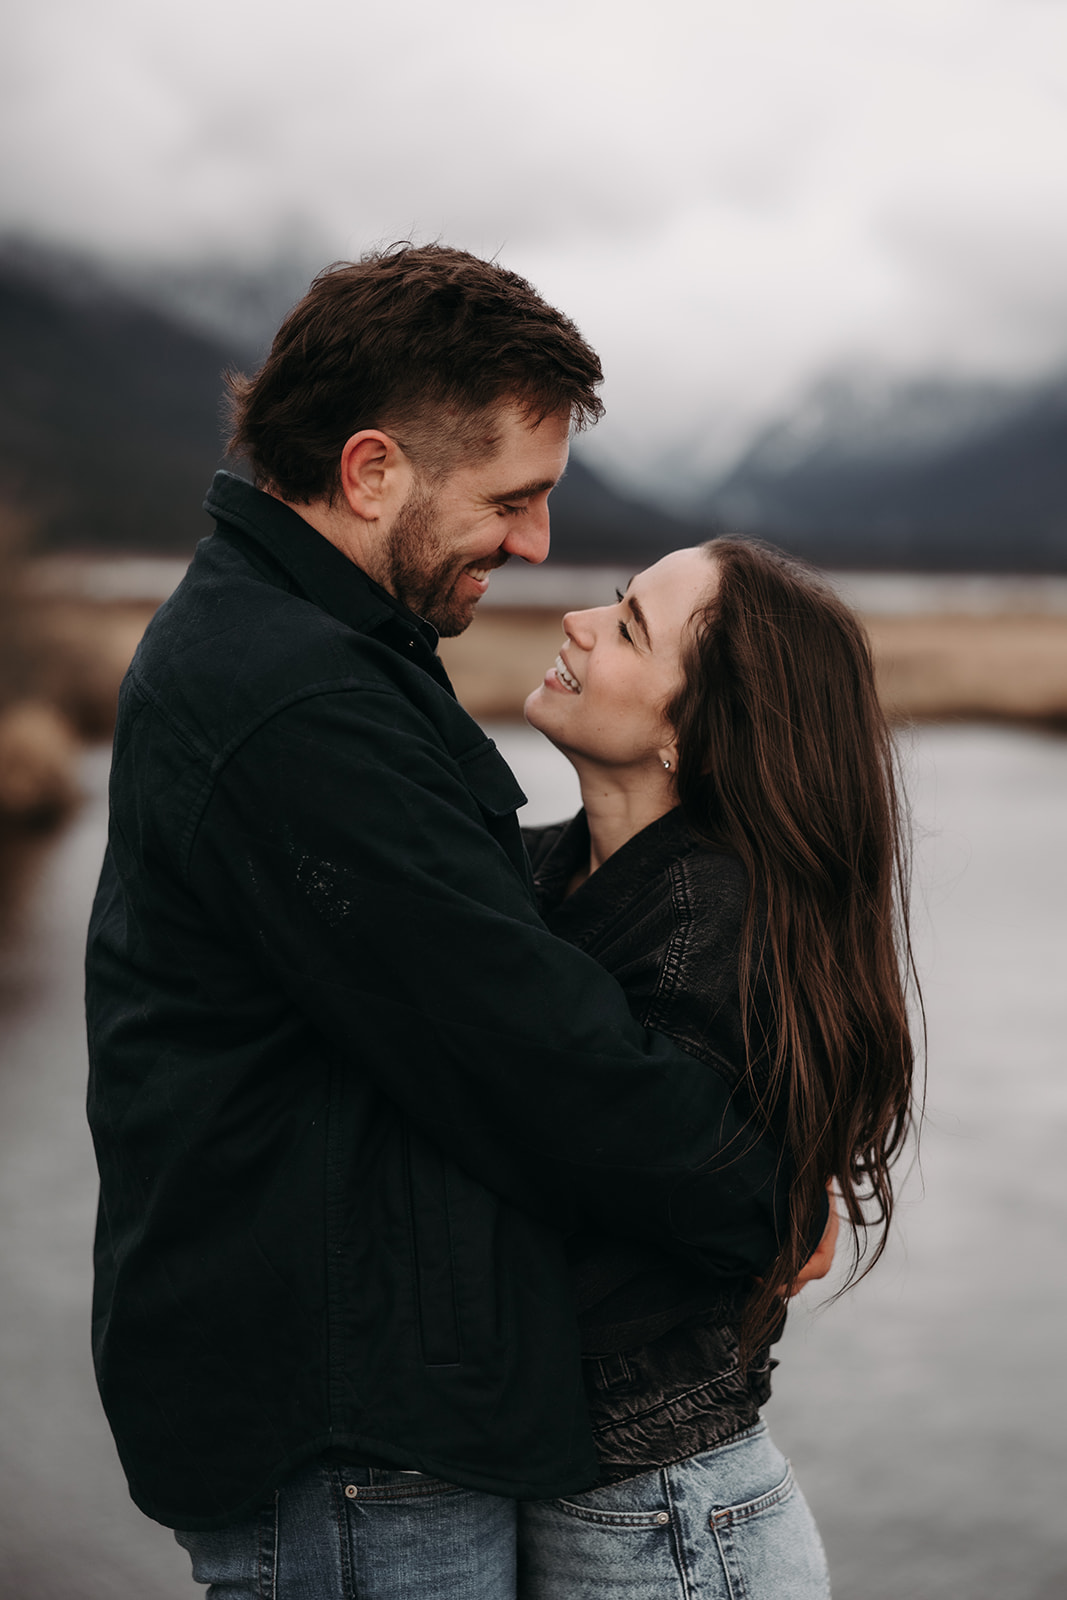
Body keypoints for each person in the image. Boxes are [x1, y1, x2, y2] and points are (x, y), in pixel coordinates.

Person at [84, 246, 825, 1599]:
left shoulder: (315, 655)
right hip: (348, 1422)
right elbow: (517, 1044)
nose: (537, 547)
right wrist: (767, 1200)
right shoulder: (293, 700)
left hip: (362, 1405)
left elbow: (451, 937)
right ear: (373, 473)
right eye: (512, 499)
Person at [516, 537, 918, 1597]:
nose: (578, 621)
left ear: (689, 744)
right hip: (619, 1513)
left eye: (628, 627)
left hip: (667, 1529)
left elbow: (594, 1196)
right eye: (613, 601)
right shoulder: (537, 875)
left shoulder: (715, 939)